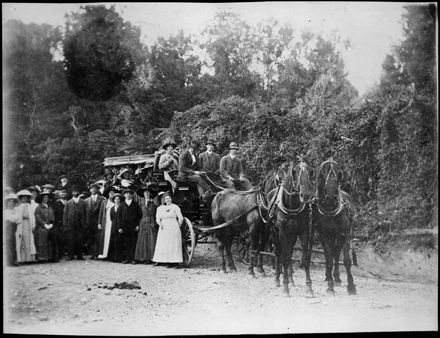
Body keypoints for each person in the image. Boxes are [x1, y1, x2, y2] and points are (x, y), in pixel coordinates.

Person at [152, 192, 184, 268]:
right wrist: (160, 224)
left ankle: (176, 262)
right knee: (166, 245)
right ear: (163, 199)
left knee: (174, 244)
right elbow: (157, 218)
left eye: (169, 198)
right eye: (166, 198)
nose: (167, 200)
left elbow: (180, 218)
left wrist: (178, 225)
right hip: (164, 228)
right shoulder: (159, 208)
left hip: (173, 226)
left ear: (171, 199)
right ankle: (169, 262)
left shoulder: (175, 207)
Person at [134, 186, 158, 264]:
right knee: (143, 240)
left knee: (151, 240)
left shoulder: (153, 205)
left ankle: (151, 258)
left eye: (148, 193)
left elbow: (155, 215)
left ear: (150, 194)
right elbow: (137, 215)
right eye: (145, 193)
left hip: (151, 223)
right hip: (142, 223)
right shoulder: (140, 205)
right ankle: (142, 258)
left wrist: (154, 223)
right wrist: (137, 224)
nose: (147, 194)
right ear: (143, 195)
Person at [118, 188, 143, 264]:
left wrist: (138, 225)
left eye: (129, 194)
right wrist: (120, 227)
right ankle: (127, 258)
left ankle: (133, 258)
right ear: (124, 195)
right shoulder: (121, 205)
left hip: (133, 226)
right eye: (126, 194)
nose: (128, 195)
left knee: (133, 242)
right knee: (125, 242)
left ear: (132, 195)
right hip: (124, 227)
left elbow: (140, 216)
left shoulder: (136, 205)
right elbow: (119, 217)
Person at [63, 186, 86, 260]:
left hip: (80, 224)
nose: (75, 193)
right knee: (71, 240)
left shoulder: (83, 202)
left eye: (77, 191)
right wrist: (65, 225)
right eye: (74, 191)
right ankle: (70, 255)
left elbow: (86, 213)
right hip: (71, 224)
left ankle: (80, 255)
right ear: (72, 193)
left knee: (80, 240)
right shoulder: (68, 203)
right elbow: (65, 215)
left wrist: (85, 223)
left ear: (79, 193)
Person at [15, 190, 37, 263]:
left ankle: (29, 259)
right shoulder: (18, 207)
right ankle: (22, 259)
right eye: (23, 198)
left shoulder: (30, 206)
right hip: (21, 225)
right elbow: (17, 218)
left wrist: (33, 225)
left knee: (29, 241)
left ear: (27, 198)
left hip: (28, 225)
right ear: (21, 198)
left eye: (26, 198)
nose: (24, 199)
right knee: (22, 242)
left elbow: (33, 217)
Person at [84, 183, 106, 259]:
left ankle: (97, 254)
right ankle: (92, 254)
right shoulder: (86, 200)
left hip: (98, 221)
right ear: (90, 190)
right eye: (92, 189)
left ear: (97, 190)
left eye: (95, 189)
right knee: (90, 238)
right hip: (89, 222)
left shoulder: (102, 199)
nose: (93, 190)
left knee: (98, 238)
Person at [34, 191, 57, 262]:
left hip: (50, 226)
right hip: (42, 227)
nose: (46, 199)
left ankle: (50, 257)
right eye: (44, 197)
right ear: (41, 199)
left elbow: (52, 216)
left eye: (47, 197)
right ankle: (42, 258)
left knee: (50, 242)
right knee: (42, 242)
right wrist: (44, 224)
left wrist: (51, 224)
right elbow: (38, 218)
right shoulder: (38, 207)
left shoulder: (50, 207)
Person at [97, 186, 117, 259]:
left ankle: (110, 255)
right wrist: (99, 223)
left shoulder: (117, 201)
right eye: (110, 193)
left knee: (112, 238)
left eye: (113, 193)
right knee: (105, 238)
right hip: (105, 222)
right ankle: (104, 254)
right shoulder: (104, 202)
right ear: (108, 194)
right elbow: (101, 213)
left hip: (113, 222)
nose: (112, 194)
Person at [4, 193, 19, 266]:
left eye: (13, 201)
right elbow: (8, 219)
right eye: (10, 201)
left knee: (14, 243)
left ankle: (13, 260)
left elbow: (17, 219)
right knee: (8, 243)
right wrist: (12, 218)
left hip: (14, 227)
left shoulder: (16, 211)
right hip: (8, 228)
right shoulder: (6, 211)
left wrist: (13, 218)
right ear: (7, 202)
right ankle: (9, 261)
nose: (11, 203)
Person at [53, 189, 69, 260]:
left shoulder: (69, 203)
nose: (63, 195)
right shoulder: (57, 203)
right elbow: (55, 213)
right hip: (59, 223)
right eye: (62, 194)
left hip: (67, 223)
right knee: (59, 238)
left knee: (67, 238)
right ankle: (60, 254)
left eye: (65, 194)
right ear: (60, 195)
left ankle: (66, 253)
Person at [108, 192, 123, 262]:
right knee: (113, 242)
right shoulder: (112, 208)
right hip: (113, 227)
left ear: (120, 200)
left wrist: (121, 227)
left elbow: (123, 218)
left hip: (120, 227)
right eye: (115, 199)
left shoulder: (122, 207)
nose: (117, 200)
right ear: (114, 200)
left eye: (118, 199)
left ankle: (119, 258)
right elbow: (111, 218)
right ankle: (113, 258)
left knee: (119, 242)